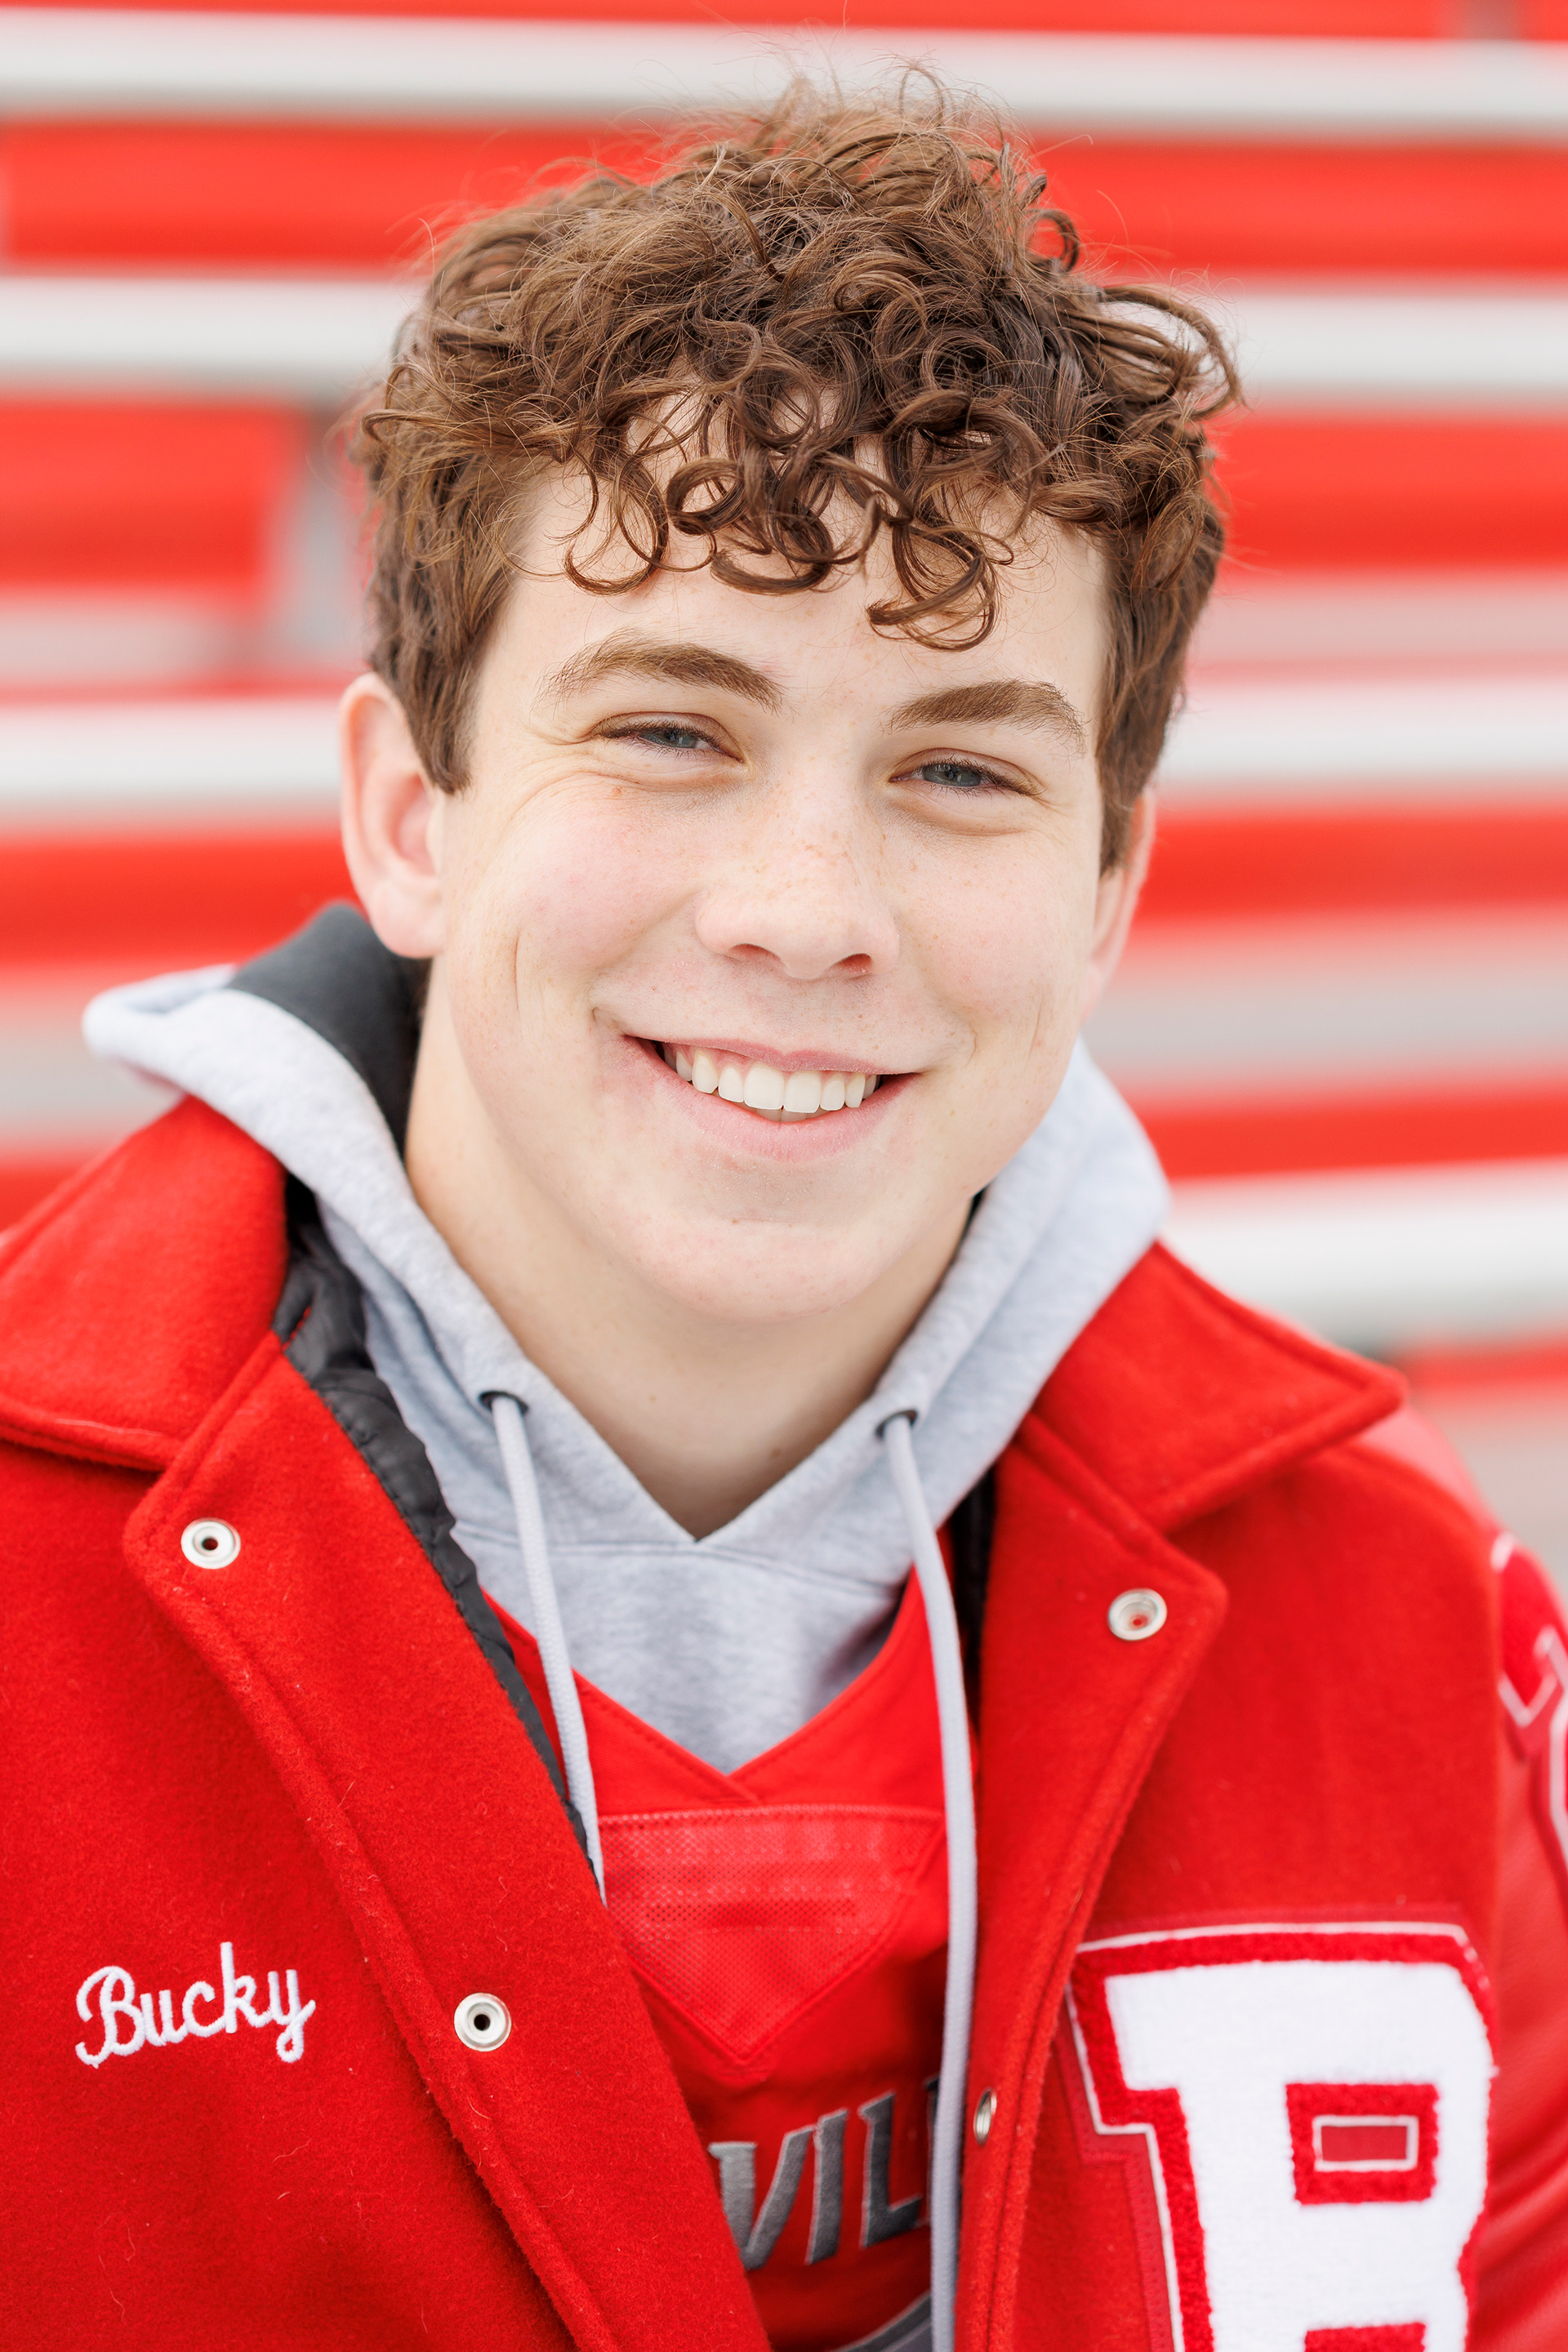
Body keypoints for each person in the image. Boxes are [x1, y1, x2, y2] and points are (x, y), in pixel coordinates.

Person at [3, 85, 1566, 2352]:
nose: (806, 909)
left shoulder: (1408, 1625)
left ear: (1107, 894)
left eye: (962, 767)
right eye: (671, 731)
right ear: (410, 815)